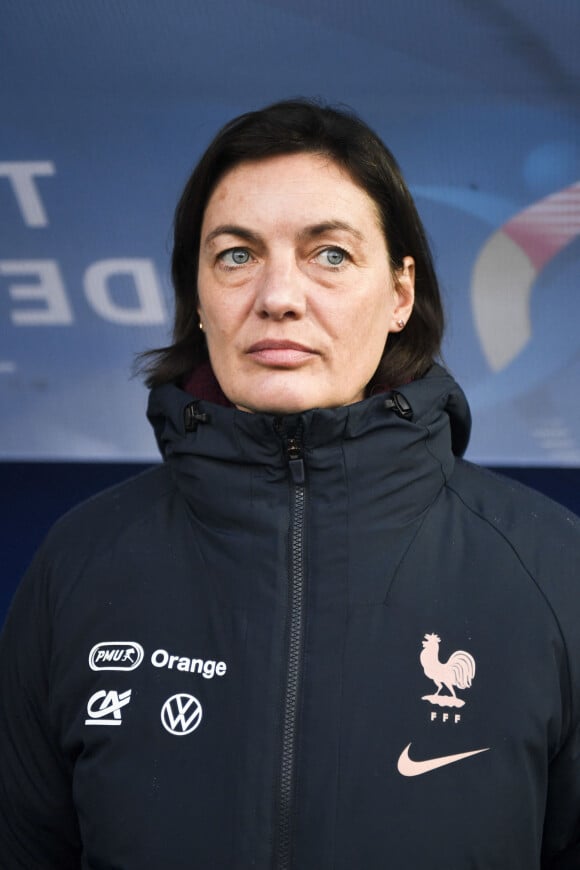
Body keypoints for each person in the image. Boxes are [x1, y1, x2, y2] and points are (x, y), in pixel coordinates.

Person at [1, 99, 579, 870]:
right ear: (197, 301)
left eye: (330, 254)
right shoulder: (78, 564)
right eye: (236, 255)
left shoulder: (550, 569)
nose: (277, 295)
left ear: (401, 293)